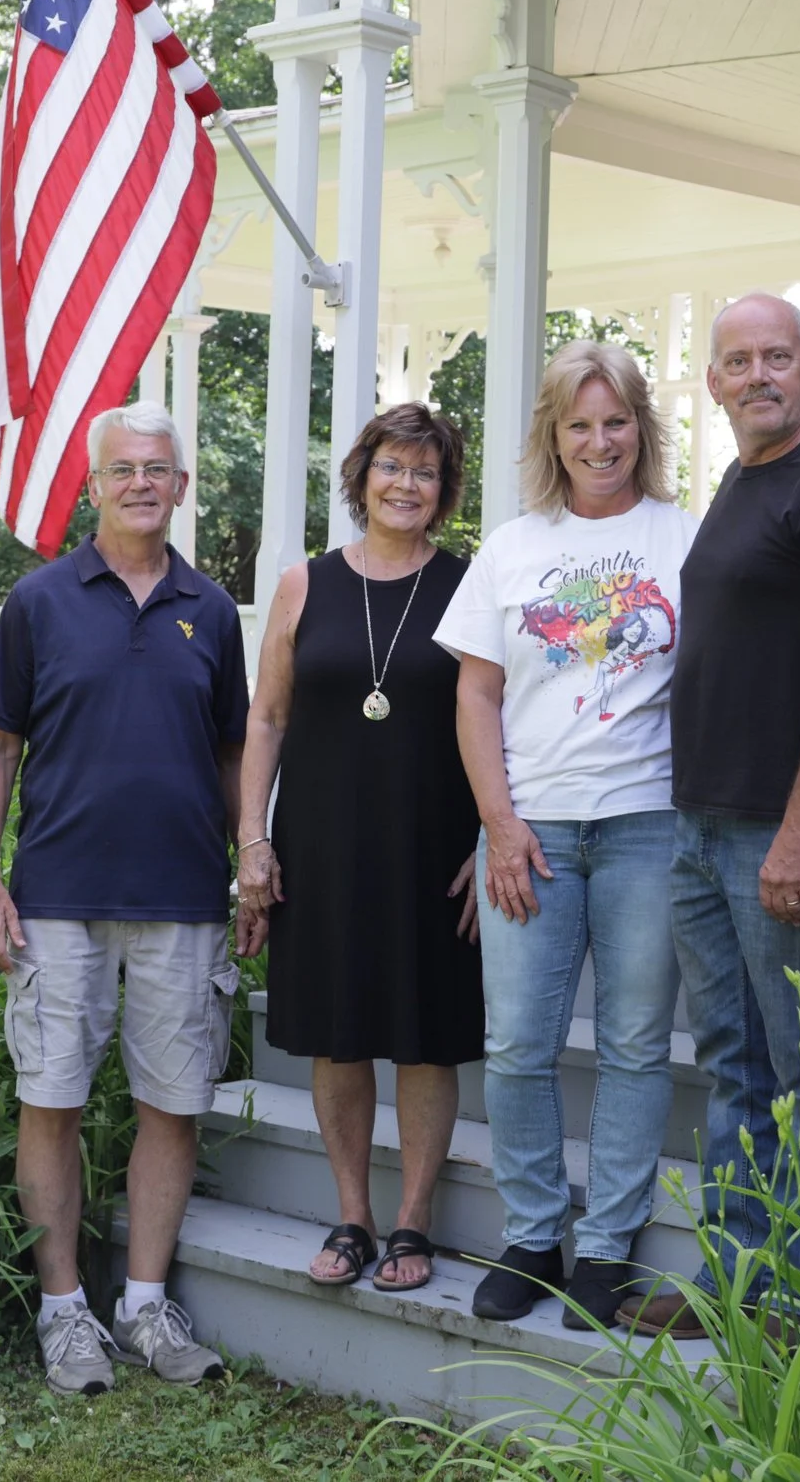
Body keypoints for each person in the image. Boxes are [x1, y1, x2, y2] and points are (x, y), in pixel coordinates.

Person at [624, 294, 800, 1339]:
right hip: (706, 825)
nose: (757, 376)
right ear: (712, 383)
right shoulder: (744, 481)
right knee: (735, 1063)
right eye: (736, 361)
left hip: (788, 834)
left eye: (776, 356)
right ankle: (736, 1277)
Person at [0, 401, 244, 1396]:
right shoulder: (39, 600)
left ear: (180, 485)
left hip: (184, 896)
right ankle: (64, 1312)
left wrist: (251, 861)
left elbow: (233, 753)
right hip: (57, 896)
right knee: (52, 1098)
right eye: (122, 468)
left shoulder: (212, 610)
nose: (140, 483)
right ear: (94, 486)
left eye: (156, 468)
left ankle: (145, 1306)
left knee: (173, 1102)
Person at [434, 342, 701, 1329]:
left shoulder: (685, 536)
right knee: (516, 1044)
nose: (600, 441)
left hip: (647, 824)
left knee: (635, 1045)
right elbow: (475, 693)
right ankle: (533, 1235)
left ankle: (607, 1248)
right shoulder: (511, 547)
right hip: (531, 830)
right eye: (579, 424)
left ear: (641, 428)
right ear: (553, 435)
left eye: (616, 420)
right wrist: (498, 824)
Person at [237, 404, 481, 1295]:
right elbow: (267, 718)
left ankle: (413, 1218)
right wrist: (252, 838)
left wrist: (492, 836)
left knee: (425, 1041)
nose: (406, 484)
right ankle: (354, 1217)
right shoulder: (304, 584)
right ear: (362, 476)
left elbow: (503, 717)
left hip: (433, 842)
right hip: (321, 844)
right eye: (391, 466)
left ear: (444, 490)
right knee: (337, 1038)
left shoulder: (469, 585)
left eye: (425, 471)